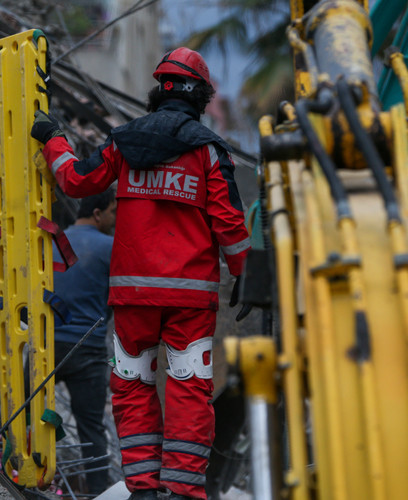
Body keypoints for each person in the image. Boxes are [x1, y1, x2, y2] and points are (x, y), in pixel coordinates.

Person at [31, 47, 250, 500]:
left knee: (132, 388)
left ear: (159, 91)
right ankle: (184, 492)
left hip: (132, 298)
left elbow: (75, 180)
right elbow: (230, 223)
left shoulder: (123, 143)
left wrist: (52, 137)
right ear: (202, 98)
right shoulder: (209, 152)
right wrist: (246, 277)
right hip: (190, 301)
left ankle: (144, 490)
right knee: (189, 390)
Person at [51, 187, 117, 495]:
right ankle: (97, 493)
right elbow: (118, 299)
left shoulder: (50, 241)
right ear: (98, 213)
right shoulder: (111, 247)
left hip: (45, 345)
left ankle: (20, 476)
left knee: (22, 413)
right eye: (114, 212)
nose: (116, 219)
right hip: (88, 349)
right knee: (92, 429)